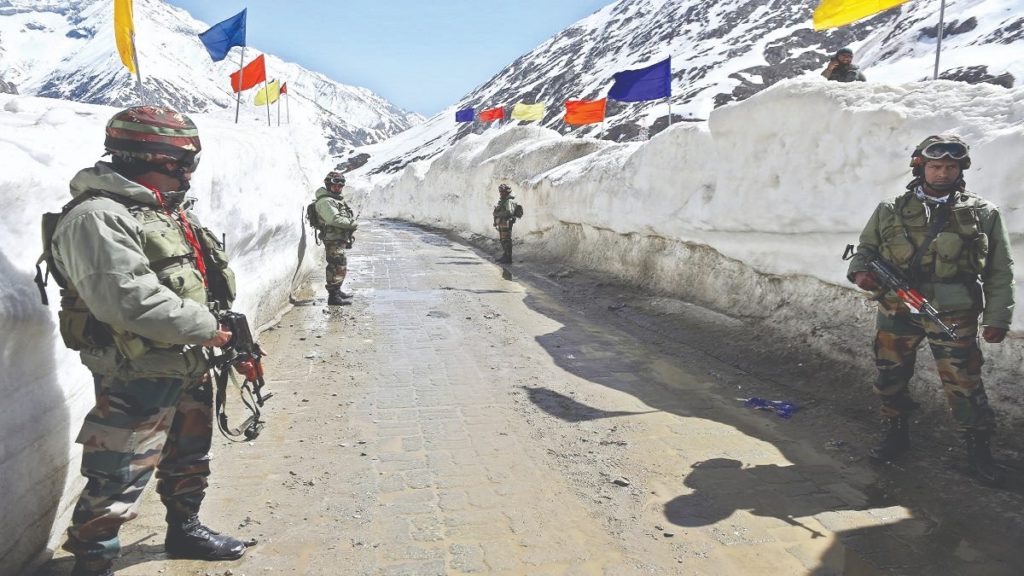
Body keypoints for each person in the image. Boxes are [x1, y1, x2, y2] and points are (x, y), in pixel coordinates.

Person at [49, 106, 249, 576]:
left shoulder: (165, 210)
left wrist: (227, 335)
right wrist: (208, 329)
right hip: (134, 370)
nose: (188, 173)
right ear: (144, 157)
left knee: (189, 455)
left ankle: (185, 528)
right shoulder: (98, 218)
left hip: (186, 360)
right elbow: (129, 301)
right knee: (117, 474)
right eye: (181, 162)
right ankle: (94, 560)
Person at [846, 134, 1015, 487]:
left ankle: (978, 450)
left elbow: (1000, 270)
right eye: (935, 166)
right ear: (920, 167)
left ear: (961, 169)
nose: (942, 173)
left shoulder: (983, 212)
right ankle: (896, 432)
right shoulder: (890, 208)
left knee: (964, 380)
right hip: (897, 307)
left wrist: (998, 318)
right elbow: (865, 248)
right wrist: (860, 272)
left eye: (950, 167)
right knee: (890, 373)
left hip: (954, 311)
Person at [313, 171, 358, 305]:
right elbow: (334, 219)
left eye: (341, 185)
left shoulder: (334, 199)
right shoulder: (325, 201)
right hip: (333, 239)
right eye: (335, 185)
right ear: (328, 185)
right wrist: (352, 224)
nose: (338, 187)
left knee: (339, 264)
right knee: (336, 265)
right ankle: (333, 297)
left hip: (338, 238)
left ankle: (337, 291)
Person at [492, 183, 521, 264]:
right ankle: (505, 255)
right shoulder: (505, 200)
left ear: (507, 192)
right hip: (503, 223)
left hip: (506, 223)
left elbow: (509, 213)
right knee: (503, 240)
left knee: (506, 240)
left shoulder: (509, 201)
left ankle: (508, 258)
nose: (500, 193)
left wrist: (497, 214)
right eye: (500, 191)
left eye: (502, 191)